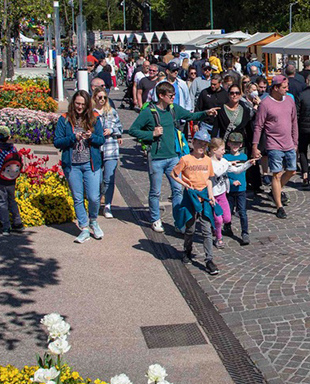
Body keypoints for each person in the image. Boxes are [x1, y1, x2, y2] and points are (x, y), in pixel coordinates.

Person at [128, 81, 218, 233]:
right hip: (156, 157)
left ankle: (179, 221)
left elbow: (190, 115)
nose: (173, 98)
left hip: (173, 157)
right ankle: (155, 219)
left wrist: (205, 113)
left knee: (177, 190)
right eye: (171, 96)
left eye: (174, 95)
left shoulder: (173, 109)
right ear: (161, 96)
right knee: (155, 191)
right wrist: (151, 134)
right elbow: (133, 130)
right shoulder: (148, 112)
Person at [53, 90, 106, 244]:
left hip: (91, 164)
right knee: (77, 197)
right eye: (77, 104)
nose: (80, 107)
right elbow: (57, 142)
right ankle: (84, 227)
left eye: (83, 104)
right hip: (72, 164)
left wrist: (92, 137)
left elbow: (101, 140)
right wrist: (72, 137)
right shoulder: (64, 119)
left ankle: (93, 221)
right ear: (73, 103)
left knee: (93, 197)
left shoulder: (94, 118)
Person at [170, 128, 220, 276]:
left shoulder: (207, 161)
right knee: (190, 229)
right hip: (191, 197)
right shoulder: (186, 159)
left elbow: (209, 180)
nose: (201, 147)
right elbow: (174, 174)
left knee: (206, 229)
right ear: (193, 142)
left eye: (204, 144)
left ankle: (209, 259)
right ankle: (187, 250)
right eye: (199, 143)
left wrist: (211, 195)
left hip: (204, 197)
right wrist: (185, 184)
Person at [251, 75, 298, 219]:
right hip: (273, 144)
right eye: (284, 87)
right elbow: (258, 126)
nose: (287, 89)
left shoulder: (290, 100)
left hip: (289, 143)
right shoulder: (265, 104)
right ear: (276, 88)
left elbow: (294, 121)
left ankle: (274, 191)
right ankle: (279, 206)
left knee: (292, 171)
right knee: (276, 174)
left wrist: (295, 142)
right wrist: (255, 146)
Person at [207, 137, 257, 249]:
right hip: (213, 195)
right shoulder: (209, 162)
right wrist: (228, 164)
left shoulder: (224, 161)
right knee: (219, 219)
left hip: (222, 193)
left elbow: (237, 170)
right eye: (222, 150)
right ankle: (218, 238)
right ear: (214, 150)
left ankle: (215, 227)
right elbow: (217, 172)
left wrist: (248, 163)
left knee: (227, 219)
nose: (224, 152)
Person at [93, 86, 123, 219]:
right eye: (100, 97)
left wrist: (112, 131)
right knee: (98, 179)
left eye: (104, 98)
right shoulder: (91, 113)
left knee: (109, 179)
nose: (102, 100)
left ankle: (107, 205)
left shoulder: (111, 112)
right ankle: (96, 202)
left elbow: (120, 127)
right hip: (95, 149)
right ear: (94, 98)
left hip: (110, 148)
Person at [224, 132, 253, 245]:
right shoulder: (225, 158)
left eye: (238, 143)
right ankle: (227, 227)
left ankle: (245, 233)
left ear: (241, 145)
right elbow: (224, 174)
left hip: (241, 189)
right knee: (228, 211)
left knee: (242, 212)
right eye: (233, 143)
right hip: (229, 189)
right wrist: (231, 182)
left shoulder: (244, 157)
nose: (235, 146)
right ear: (229, 144)